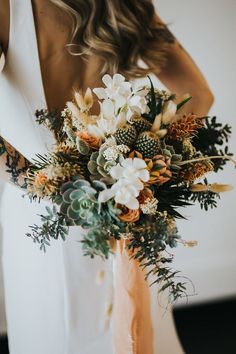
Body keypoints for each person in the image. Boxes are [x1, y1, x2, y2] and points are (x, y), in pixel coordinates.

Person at [0, 1, 214, 353]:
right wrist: (142, 171)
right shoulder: (127, 4)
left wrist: (54, 186)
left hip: (48, 223)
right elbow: (199, 94)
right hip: (129, 211)